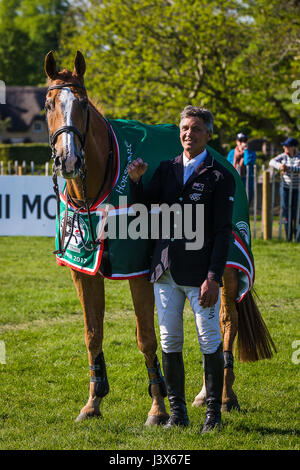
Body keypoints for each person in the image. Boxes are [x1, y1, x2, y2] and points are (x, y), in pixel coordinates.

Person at [128, 106, 235, 433]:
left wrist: (214, 278)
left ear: (209, 134)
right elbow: (143, 212)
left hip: (201, 275)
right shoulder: (165, 169)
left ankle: (213, 415)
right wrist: (135, 182)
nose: (189, 133)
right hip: (165, 272)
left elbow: (222, 232)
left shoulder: (220, 176)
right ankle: (178, 414)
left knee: (208, 340)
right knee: (169, 340)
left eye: (197, 129)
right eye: (185, 128)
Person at [269, 137, 300, 241]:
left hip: (297, 189)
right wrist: (280, 166)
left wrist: (289, 168)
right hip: (285, 188)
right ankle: (288, 237)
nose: (284, 147)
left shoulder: (299, 157)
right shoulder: (283, 156)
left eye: (286, 146)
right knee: (286, 210)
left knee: (296, 212)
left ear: (293, 147)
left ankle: (297, 237)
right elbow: (271, 162)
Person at [227, 132, 256, 206]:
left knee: (245, 206)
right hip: (234, 183)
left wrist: (246, 151)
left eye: (244, 141)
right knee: (234, 207)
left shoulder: (251, 153)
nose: (242, 143)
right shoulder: (232, 153)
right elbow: (227, 167)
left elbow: (247, 162)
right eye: (240, 141)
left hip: (247, 184)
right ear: (236, 142)